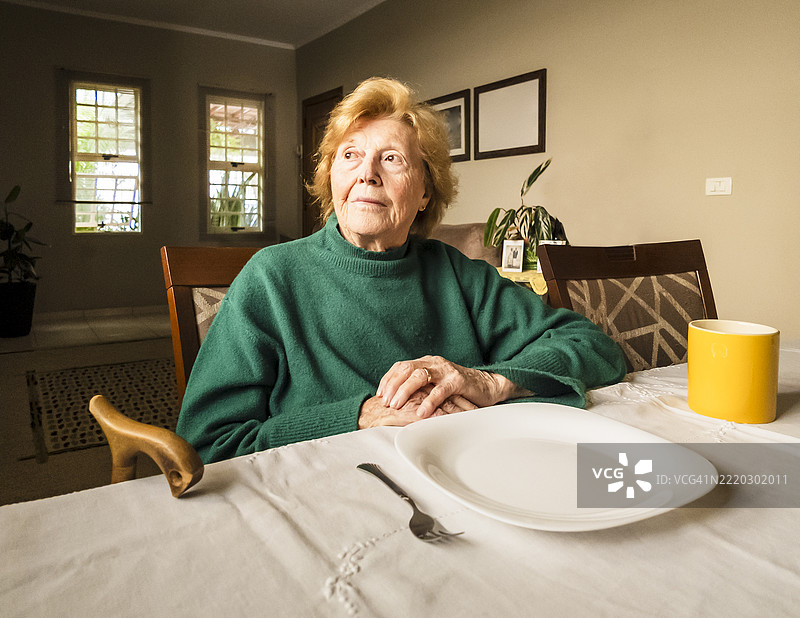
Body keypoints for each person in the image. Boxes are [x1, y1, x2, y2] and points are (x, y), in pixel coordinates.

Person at [176, 77, 627, 464]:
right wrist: (359, 417)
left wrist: (488, 381)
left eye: (391, 158)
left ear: (426, 192)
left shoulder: (458, 275)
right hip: (323, 497)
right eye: (350, 155)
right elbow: (207, 444)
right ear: (331, 175)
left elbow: (594, 348)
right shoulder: (272, 278)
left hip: (459, 478)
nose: (367, 173)